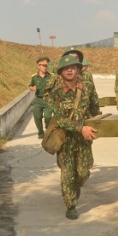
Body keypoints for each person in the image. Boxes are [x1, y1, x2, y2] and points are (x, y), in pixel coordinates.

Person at [44, 55, 98, 220]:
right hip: (65, 140)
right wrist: (80, 128)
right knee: (67, 173)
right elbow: (60, 119)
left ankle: (74, 189)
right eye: (66, 68)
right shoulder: (56, 93)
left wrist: (94, 124)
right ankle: (71, 204)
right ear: (61, 71)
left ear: (78, 70)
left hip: (84, 140)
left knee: (83, 172)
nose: (69, 70)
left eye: (73, 67)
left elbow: (95, 107)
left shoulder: (87, 88)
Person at [29, 56, 53, 139]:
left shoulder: (51, 76)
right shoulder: (34, 77)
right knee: (37, 116)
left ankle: (48, 127)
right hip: (38, 99)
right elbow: (30, 86)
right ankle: (40, 132)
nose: (44, 67)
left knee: (48, 117)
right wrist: (33, 88)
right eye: (43, 65)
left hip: (48, 99)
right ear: (38, 66)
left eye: (46, 66)